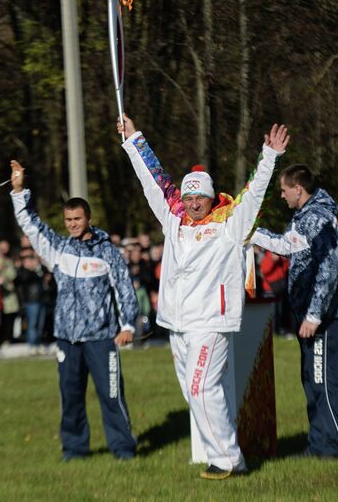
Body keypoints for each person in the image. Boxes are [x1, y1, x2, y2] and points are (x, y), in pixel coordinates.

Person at [118, 114, 289, 479]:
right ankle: (233, 458)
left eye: (201, 197)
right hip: (176, 323)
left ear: (212, 198)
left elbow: (254, 193)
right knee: (192, 392)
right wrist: (134, 141)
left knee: (201, 387)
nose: (194, 203)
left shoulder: (229, 223)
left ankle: (227, 460)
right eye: (190, 196)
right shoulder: (174, 221)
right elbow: (155, 182)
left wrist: (269, 157)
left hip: (211, 321)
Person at [9, 159, 139, 461]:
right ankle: (74, 449)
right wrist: (18, 191)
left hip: (101, 337)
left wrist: (128, 326)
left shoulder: (107, 251)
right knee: (70, 397)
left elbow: (123, 288)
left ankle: (122, 448)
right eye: (68, 220)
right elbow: (31, 224)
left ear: (88, 218)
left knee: (111, 395)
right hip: (67, 337)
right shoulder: (58, 249)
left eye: (77, 219)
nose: (72, 224)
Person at [250, 164, 338, 459]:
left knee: (324, 381)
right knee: (312, 380)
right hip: (309, 316)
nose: (282, 195)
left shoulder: (319, 218)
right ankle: (319, 444)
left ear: (299, 189)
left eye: (284, 190)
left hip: (319, 319)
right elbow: (286, 245)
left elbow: (330, 267)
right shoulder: (305, 217)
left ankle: (336, 448)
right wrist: (252, 232)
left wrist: (314, 315)